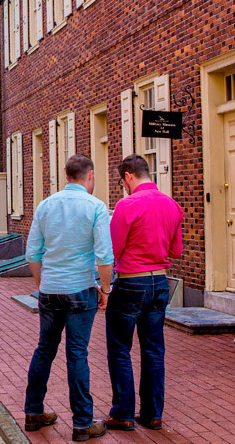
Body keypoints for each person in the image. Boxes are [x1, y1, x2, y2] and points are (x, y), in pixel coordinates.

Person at [24, 154, 114, 441]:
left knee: (44, 349)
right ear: (90, 176)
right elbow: (104, 256)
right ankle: (82, 423)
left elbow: (32, 253)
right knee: (77, 353)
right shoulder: (96, 207)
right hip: (81, 288)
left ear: (66, 176)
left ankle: (33, 412)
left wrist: (42, 284)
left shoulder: (45, 206)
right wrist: (106, 289)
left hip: (50, 288)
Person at [103, 154, 182, 432]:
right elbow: (176, 251)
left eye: (121, 181)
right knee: (153, 349)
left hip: (131, 282)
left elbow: (113, 250)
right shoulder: (173, 205)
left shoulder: (127, 205)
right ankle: (152, 413)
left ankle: (123, 412)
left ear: (128, 176)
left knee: (120, 347)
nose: (122, 186)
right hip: (159, 282)